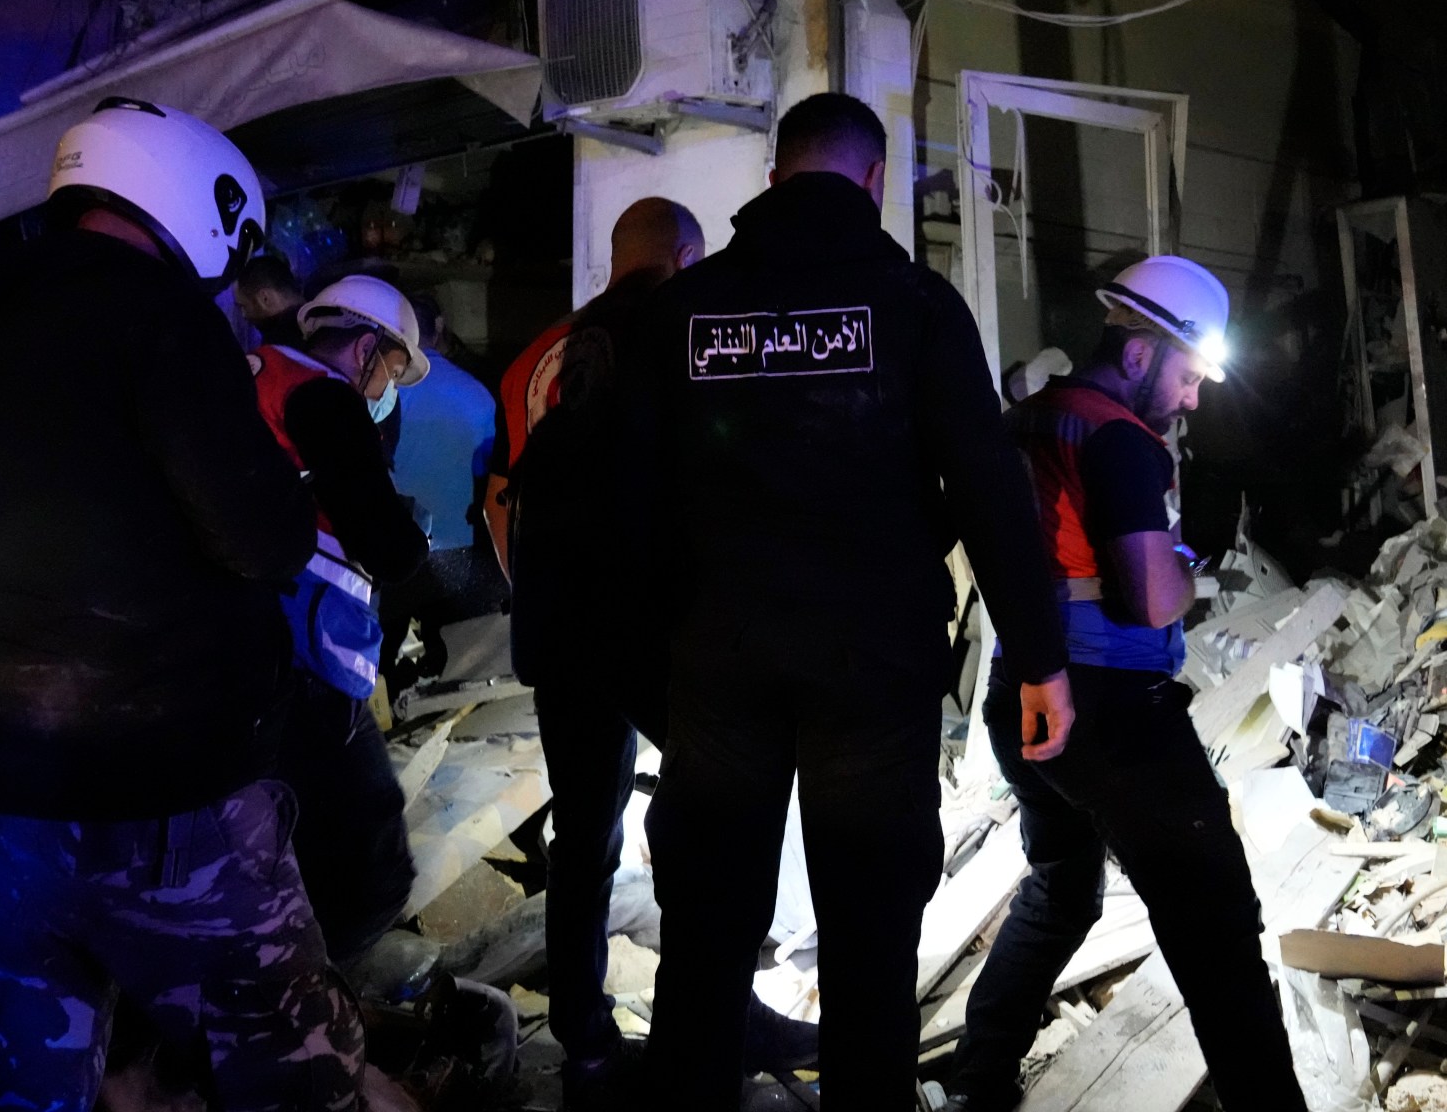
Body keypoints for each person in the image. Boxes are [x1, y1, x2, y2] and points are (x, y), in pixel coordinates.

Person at [0, 96, 365, 1110]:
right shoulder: (160, 312)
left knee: (16, 1090)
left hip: (3, 801)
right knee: (293, 1083)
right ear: (200, 206)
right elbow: (263, 538)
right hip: (176, 806)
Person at [626, 92, 1073, 1109]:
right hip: (872, 665)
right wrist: (1042, 659)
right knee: (872, 934)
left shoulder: (681, 313)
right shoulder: (914, 306)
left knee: (704, 933)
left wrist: (656, 674)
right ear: (874, 182)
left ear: (775, 175)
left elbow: (631, 509)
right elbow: (991, 491)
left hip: (719, 661)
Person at [943, 257, 1306, 1112]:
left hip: (1024, 695)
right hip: (1114, 716)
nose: (1190, 400)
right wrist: (1188, 568)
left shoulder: (1034, 420)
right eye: (1185, 377)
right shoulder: (1116, 439)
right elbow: (1148, 598)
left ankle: (977, 1080)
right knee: (1215, 920)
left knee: (1063, 885)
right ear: (1139, 354)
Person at [501, 197, 708, 1106]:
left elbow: (510, 501)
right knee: (710, 821)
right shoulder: (691, 330)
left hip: (560, 628)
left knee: (582, 837)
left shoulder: (533, 361)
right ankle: (699, 1026)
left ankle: (583, 1036)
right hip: (656, 624)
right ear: (687, 254)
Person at [252, 273, 430, 962]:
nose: (386, 391)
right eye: (389, 370)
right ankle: (311, 1013)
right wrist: (412, 547)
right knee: (369, 869)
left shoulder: (258, 373)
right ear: (364, 350)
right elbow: (387, 545)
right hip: (302, 660)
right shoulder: (325, 400)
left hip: (229, 657)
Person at [483, 197, 705, 581]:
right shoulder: (683, 338)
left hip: (558, 609)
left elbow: (496, 503)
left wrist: (532, 602)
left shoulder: (525, 363)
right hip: (654, 609)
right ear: (684, 258)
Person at [382, 294, 501, 684]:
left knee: (379, 661)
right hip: (459, 550)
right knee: (448, 666)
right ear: (437, 327)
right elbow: (490, 474)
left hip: (396, 550)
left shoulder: (383, 391)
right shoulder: (477, 393)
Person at [236, 252, 306, 349]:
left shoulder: (276, 351)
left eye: (244, 306)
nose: (244, 315)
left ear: (265, 298)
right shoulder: (325, 314)